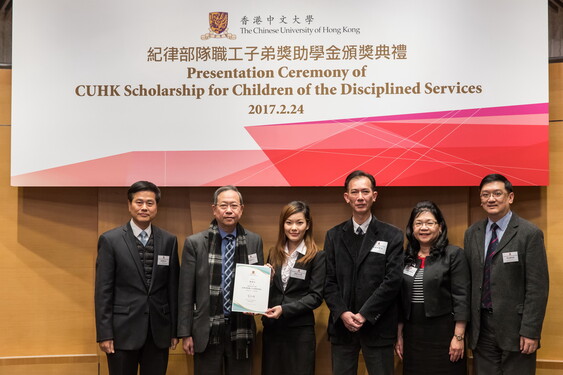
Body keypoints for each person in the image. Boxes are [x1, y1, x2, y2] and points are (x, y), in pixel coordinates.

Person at [464, 174, 549, 374]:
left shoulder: (529, 233)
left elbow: (538, 287)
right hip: (481, 327)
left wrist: (531, 330)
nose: (490, 199)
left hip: (517, 328)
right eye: (485, 194)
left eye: (497, 193)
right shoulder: (472, 233)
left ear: (510, 197)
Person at [95, 181, 179, 375]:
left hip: (158, 332)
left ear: (156, 207)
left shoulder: (169, 240)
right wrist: (104, 334)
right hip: (121, 333)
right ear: (129, 205)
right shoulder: (110, 240)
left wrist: (174, 331)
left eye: (150, 203)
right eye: (139, 202)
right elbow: (103, 291)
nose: (144, 207)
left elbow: (173, 288)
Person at [324, 170, 404, 375]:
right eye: (355, 192)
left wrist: (365, 314)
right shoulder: (333, 236)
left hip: (378, 325)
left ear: (374, 196)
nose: (360, 197)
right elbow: (328, 281)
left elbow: (392, 281)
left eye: (365, 191)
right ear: (347, 197)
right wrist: (342, 313)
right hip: (343, 326)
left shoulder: (392, 235)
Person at [177, 185, 264, 375]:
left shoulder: (254, 241)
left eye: (234, 205)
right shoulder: (195, 243)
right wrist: (185, 333)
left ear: (242, 209)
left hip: (241, 328)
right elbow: (185, 292)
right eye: (223, 205)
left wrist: (264, 284)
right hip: (206, 329)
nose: (229, 210)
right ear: (214, 209)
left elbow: (256, 281)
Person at [395, 201, 470, 375]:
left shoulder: (453, 254)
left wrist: (458, 337)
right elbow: (399, 300)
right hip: (412, 334)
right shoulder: (406, 257)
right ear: (412, 228)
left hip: (444, 334)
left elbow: (462, 297)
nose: (424, 228)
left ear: (440, 227)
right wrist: (399, 335)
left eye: (430, 223)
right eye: (418, 223)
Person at [261, 201, 326, 375]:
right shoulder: (273, 253)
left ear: (308, 225)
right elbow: (270, 292)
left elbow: (315, 296)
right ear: (282, 225)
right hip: (273, 329)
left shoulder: (317, 256)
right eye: (289, 222)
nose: (294, 228)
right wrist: (266, 282)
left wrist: (284, 309)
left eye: (299, 222)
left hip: (300, 331)